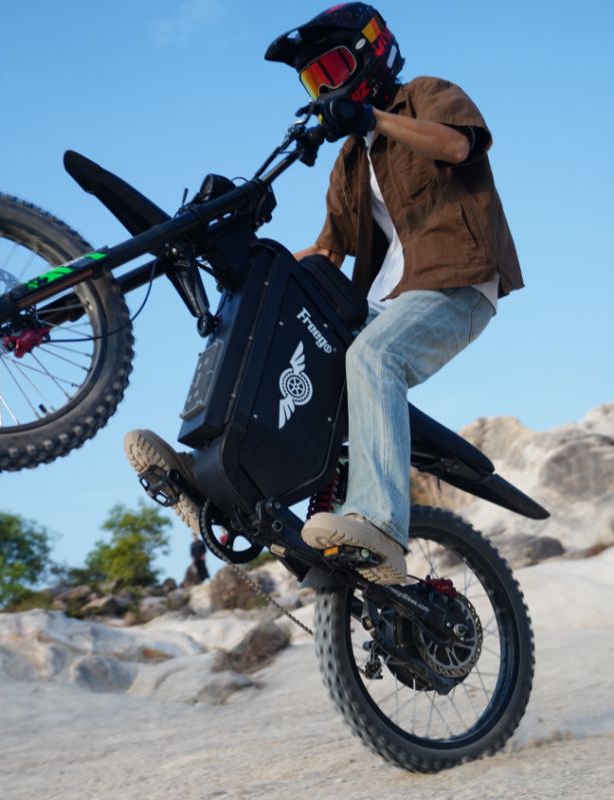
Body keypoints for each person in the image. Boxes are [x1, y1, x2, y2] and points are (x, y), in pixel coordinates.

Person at [125, 3, 523, 586]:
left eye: (333, 69)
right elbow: (325, 253)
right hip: (382, 303)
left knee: (373, 356)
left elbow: (458, 146)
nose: (325, 87)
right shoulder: (347, 163)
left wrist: (371, 118)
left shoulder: (424, 94)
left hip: (455, 283)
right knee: (277, 319)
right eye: (314, 80)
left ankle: (381, 522)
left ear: (371, 53)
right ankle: (221, 480)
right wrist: (238, 252)